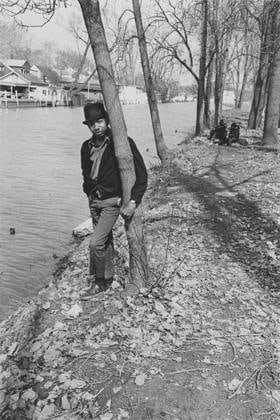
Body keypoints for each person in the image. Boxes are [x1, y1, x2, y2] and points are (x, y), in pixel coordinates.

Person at [80, 102, 148, 297]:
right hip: (94, 201)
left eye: (99, 121)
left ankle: (99, 282)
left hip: (112, 202)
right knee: (105, 241)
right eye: (92, 123)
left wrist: (133, 200)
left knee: (95, 243)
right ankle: (108, 277)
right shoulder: (86, 147)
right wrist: (89, 192)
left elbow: (142, 176)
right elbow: (85, 174)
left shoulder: (122, 142)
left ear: (107, 120)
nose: (96, 126)